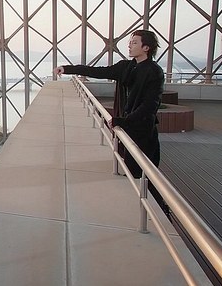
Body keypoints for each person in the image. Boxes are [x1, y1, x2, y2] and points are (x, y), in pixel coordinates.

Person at [55, 30, 167, 212]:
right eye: (130, 42)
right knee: (133, 171)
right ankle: (140, 210)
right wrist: (67, 69)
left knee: (146, 176)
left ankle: (159, 212)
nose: (129, 45)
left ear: (146, 47)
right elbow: (97, 71)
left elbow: (150, 105)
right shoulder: (126, 67)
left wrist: (125, 121)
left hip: (143, 133)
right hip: (127, 129)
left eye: (135, 42)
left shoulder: (154, 72)